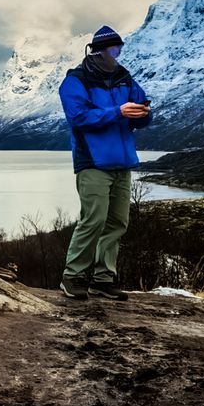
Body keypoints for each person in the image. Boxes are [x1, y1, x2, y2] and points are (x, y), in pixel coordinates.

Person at [58, 25, 152, 301]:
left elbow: (142, 111)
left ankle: (103, 278)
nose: (118, 55)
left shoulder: (125, 78)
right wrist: (118, 112)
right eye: (114, 50)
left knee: (117, 222)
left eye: (119, 50)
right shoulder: (75, 81)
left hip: (122, 161)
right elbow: (78, 118)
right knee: (94, 220)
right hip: (92, 161)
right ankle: (72, 276)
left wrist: (142, 113)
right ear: (98, 52)